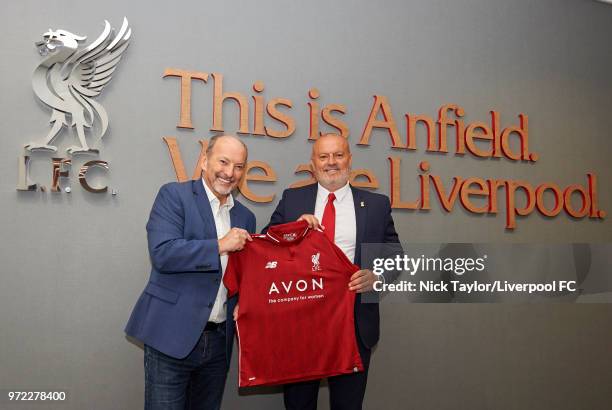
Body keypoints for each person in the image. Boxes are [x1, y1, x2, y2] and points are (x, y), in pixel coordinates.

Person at [264, 133, 400, 410]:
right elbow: (267, 244)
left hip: (353, 322)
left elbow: (395, 254)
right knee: (299, 404)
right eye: (323, 157)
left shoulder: (376, 205)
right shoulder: (293, 200)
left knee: (348, 405)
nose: (331, 162)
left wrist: (377, 277)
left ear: (350, 159)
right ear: (313, 164)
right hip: (300, 322)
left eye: (338, 155)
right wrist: (293, 230)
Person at [125, 135, 256, 410]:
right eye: (223, 161)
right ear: (204, 160)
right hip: (171, 336)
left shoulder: (246, 217)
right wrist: (220, 245)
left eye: (239, 166)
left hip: (219, 342)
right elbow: (163, 252)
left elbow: (247, 273)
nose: (229, 172)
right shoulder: (174, 195)